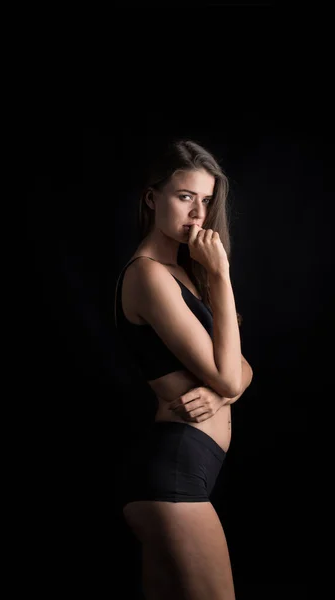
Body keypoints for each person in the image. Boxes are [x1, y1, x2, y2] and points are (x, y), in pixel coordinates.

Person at [114, 139, 253, 599]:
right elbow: (233, 374)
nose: (198, 214)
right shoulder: (149, 275)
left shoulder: (185, 276)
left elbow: (242, 370)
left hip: (187, 472)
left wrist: (220, 394)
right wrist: (222, 276)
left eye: (207, 201)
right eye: (185, 197)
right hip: (173, 475)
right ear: (153, 197)